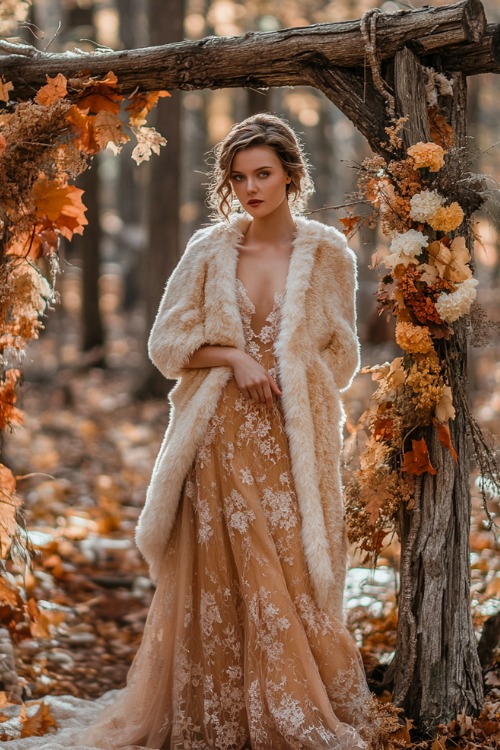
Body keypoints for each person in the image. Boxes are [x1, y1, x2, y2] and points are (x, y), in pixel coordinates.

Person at [6, 114, 382, 750]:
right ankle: (228, 712)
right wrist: (235, 357)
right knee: (232, 572)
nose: (251, 188)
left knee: (291, 571)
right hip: (219, 435)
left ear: (292, 175)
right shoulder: (209, 251)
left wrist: (295, 364)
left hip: (294, 435)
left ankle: (293, 704)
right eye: (239, 177)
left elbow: (343, 358)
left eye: (263, 174)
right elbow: (164, 343)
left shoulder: (328, 254)